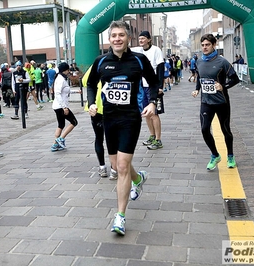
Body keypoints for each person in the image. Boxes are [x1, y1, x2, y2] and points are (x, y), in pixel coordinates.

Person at [87, 21, 158, 235]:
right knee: (117, 165)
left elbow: (153, 82)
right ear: (109, 39)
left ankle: (120, 216)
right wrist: (91, 102)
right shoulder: (101, 62)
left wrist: (152, 102)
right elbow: (91, 83)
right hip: (108, 118)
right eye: (114, 35)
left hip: (130, 118)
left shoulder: (139, 59)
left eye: (121, 35)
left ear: (128, 38)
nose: (117, 39)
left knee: (123, 166)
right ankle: (139, 179)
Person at [191, 34, 240, 171]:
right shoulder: (199, 61)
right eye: (203, 45)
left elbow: (235, 79)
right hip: (206, 102)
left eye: (207, 45)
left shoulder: (222, 62)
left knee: (225, 130)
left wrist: (223, 86)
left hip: (221, 102)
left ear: (214, 45)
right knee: (204, 129)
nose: (204, 47)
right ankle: (215, 155)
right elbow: (200, 77)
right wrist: (197, 90)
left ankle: (230, 156)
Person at [82, 65, 118, 180]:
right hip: (112, 107)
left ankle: (102, 167)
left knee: (99, 138)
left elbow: (84, 81)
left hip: (95, 107)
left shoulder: (97, 64)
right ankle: (114, 169)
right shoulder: (119, 64)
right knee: (113, 138)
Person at [132, 30, 165, 150]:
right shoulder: (139, 51)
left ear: (149, 39)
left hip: (153, 87)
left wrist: (160, 86)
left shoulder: (156, 50)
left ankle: (158, 139)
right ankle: (152, 135)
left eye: (143, 38)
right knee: (146, 113)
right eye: (139, 39)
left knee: (154, 114)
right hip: (142, 87)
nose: (141, 40)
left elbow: (161, 69)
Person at [50, 62, 78, 152]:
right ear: (64, 70)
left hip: (58, 106)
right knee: (74, 122)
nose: (69, 72)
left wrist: (76, 91)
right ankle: (60, 139)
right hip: (60, 106)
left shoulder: (61, 78)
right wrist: (64, 107)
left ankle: (55, 145)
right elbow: (57, 93)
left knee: (61, 125)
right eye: (67, 70)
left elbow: (65, 91)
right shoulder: (61, 79)